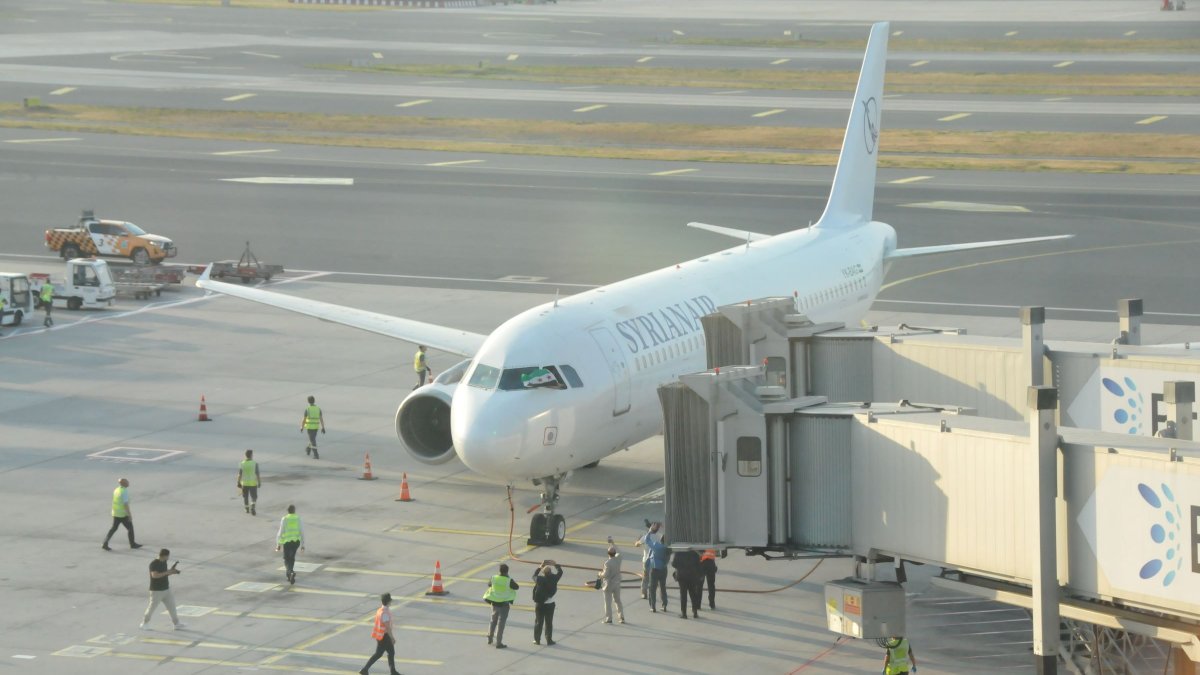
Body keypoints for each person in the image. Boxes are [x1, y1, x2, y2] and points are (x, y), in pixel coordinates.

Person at [140, 548, 184, 630]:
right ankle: (144, 623)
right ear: (164, 556)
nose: (168, 558)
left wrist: (171, 572)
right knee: (152, 608)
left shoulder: (164, 562)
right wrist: (168, 572)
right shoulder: (154, 564)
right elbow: (155, 575)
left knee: (172, 606)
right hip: (156, 591)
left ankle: (176, 623)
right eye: (168, 556)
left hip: (166, 589)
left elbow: (163, 574)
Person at [359, 593, 402, 675]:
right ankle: (365, 669)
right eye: (390, 601)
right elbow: (387, 627)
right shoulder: (385, 613)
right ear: (388, 602)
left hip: (380, 636)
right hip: (384, 636)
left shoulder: (380, 610)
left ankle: (393, 671)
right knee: (379, 654)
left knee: (390, 652)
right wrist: (392, 637)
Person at [483, 563, 519, 648]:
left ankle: (490, 637)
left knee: (493, 621)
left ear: (499, 571)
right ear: (507, 571)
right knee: (501, 623)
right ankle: (498, 643)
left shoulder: (494, 578)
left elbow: (489, 584)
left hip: (494, 603)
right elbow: (516, 587)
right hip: (504, 604)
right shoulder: (509, 580)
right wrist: (508, 577)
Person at [102, 477, 142, 551]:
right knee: (130, 528)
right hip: (123, 514)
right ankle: (132, 544)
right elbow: (125, 504)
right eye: (127, 481)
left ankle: (105, 543)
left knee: (113, 529)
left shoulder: (116, 490)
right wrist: (129, 515)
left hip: (115, 513)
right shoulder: (124, 491)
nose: (128, 482)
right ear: (124, 483)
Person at [531, 560, 563, 645]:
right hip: (550, 604)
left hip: (539, 604)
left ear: (543, 573)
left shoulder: (539, 579)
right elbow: (560, 572)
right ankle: (549, 640)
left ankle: (537, 640)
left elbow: (534, 575)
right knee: (549, 622)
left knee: (538, 621)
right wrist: (556, 565)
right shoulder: (554, 579)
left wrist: (540, 567)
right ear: (551, 572)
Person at [276, 504, 305, 585]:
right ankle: (290, 574)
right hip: (296, 542)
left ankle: (290, 572)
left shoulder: (284, 518)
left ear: (287, 511)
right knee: (292, 557)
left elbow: (280, 532)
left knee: (286, 558)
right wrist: (303, 545)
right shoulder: (298, 518)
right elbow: (302, 531)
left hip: (287, 542)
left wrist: (278, 544)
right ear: (294, 511)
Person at [598, 536, 624, 624]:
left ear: (608, 554)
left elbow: (605, 574)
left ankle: (609, 618)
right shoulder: (618, 559)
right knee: (618, 601)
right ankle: (621, 617)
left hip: (608, 584)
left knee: (608, 603)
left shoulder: (607, 563)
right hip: (617, 583)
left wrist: (599, 574)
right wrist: (613, 543)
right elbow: (619, 551)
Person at [634, 520, 662, 599]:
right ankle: (660, 592)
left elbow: (636, 544)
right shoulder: (658, 537)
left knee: (645, 577)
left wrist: (637, 540)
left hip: (646, 560)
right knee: (657, 577)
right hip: (656, 560)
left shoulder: (645, 537)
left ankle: (644, 593)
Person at [672, 548, 702, 619]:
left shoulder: (679, 552)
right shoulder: (694, 553)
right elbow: (698, 565)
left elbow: (674, 564)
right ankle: (695, 611)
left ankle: (684, 613)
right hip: (692, 576)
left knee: (683, 595)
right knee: (693, 593)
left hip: (682, 576)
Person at [645, 535, 670, 613]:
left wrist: (649, 531)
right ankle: (664, 604)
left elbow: (647, 540)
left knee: (652, 588)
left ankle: (653, 606)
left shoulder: (656, 546)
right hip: (664, 569)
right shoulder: (668, 549)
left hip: (654, 569)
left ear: (660, 540)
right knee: (663, 587)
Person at [237, 449, 260, 515]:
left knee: (245, 496)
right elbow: (257, 474)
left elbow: (239, 474)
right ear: (251, 455)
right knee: (254, 497)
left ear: (245, 455)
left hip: (244, 483)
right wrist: (259, 482)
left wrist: (238, 482)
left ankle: (247, 509)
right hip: (253, 483)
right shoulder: (255, 463)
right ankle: (252, 506)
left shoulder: (242, 463)